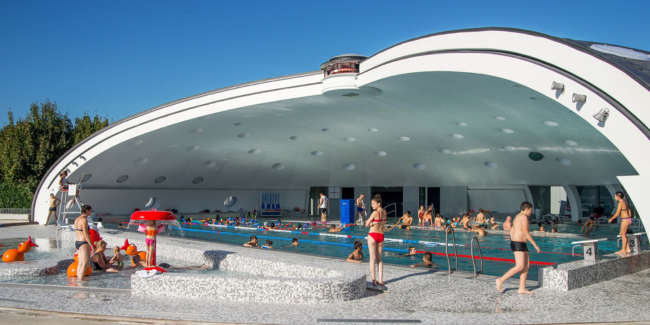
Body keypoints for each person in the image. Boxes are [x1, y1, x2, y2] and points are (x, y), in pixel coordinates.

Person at [495, 201, 541, 294]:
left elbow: (512, 230)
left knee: (526, 265)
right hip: (518, 243)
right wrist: (535, 245)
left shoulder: (517, 217)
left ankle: (521, 288)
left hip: (520, 243)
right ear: (526, 209)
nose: (531, 212)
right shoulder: (523, 217)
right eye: (530, 210)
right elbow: (526, 232)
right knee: (520, 266)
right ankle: (500, 280)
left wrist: (513, 239)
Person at [365, 194, 386, 286]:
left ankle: (374, 279)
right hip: (381, 236)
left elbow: (366, 224)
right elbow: (383, 223)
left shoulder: (374, 213)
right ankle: (381, 280)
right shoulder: (385, 212)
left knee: (372, 259)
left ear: (379, 203)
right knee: (380, 260)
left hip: (373, 235)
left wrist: (371, 224)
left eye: (373, 203)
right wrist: (375, 223)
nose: (371, 205)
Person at [74, 205, 93, 281]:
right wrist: (92, 246)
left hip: (77, 242)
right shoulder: (84, 220)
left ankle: (79, 279)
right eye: (90, 211)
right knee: (85, 264)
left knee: (80, 263)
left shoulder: (77, 219)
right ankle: (81, 282)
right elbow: (86, 235)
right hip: (83, 243)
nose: (91, 212)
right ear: (87, 210)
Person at [609, 191, 632, 255]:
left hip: (625, 220)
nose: (615, 197)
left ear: (618, 197)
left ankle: (623, 250)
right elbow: (629, 211)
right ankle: (628, 248)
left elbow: (617, 213)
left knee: (622, 234)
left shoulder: (620, 203)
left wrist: (611, 219)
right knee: (623, 234)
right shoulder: (624, 203)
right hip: (628, 219)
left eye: (615, 196)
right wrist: (629, 218)